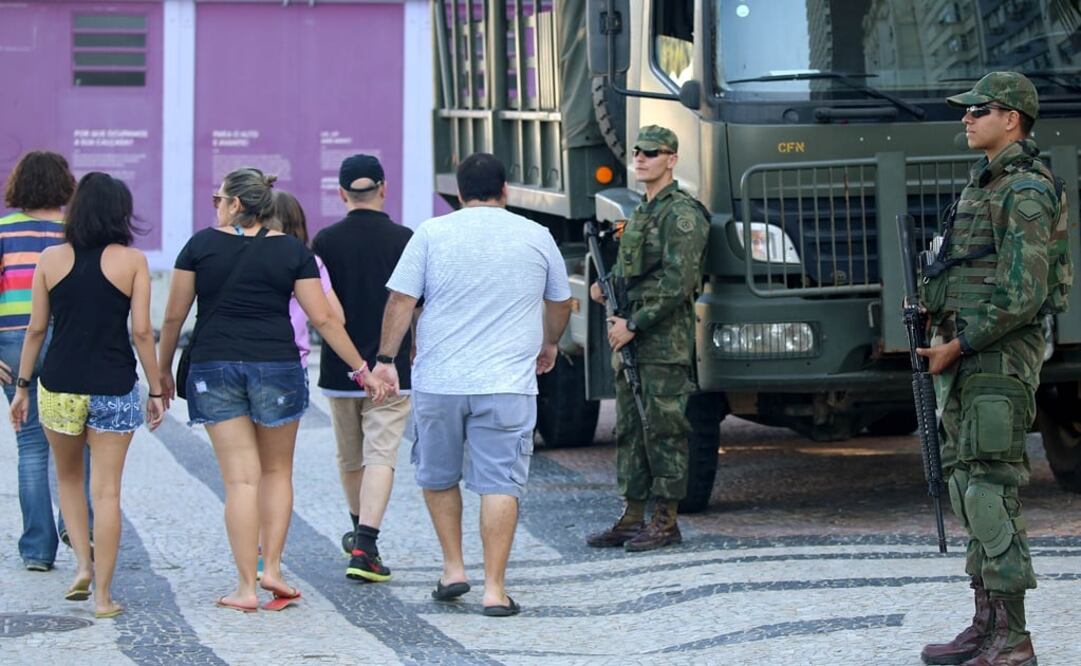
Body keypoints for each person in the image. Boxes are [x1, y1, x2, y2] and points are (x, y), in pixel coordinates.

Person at [157, 167, 388, 613]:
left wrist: (162, 373)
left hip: (215, 366)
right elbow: (323, 319)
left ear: (236, 205)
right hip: (278, 367)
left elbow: (172, 318)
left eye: (218, 198)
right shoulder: (291, 252)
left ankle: (245, 587)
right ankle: (274, 570)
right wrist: (363, 370)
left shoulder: (199, 247)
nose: (216, 205)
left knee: (240, 479)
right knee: (277, 473)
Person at [373, 152, 571, 616]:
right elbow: (560, 302)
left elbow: (401, 300)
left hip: (440, 380)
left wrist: (386, 359)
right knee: (500, 482)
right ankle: (494, 590)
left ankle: (453, 569)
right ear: (506, 191)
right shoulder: (536, 235)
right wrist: (549, 343)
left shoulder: (431, 233)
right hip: (506, 383)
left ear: (459, 194)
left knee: (439, 476)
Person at [917, 72, 1067, 666]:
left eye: (979, 109)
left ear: (1013, 118)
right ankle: (987, 623)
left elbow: (1023, 293)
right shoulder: (986, 184)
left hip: (997, 358)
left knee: (990, 489)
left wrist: (962, 343)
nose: (966, 118)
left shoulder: (1024, 189)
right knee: (965, 480)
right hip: (970, 356)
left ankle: (1015, 639)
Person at [9, 172, 165, 619]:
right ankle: (103, 596)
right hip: (113, 384)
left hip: (58, 384)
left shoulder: (50, 259)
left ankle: (80, 566)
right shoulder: (132, 261)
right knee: (107, 492)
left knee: (69, 482)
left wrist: (22, 388)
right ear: (120, 213)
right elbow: (140, 332)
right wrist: (156, 388)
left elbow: (36, 330)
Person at [586, 125, 709, 552]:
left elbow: (679, 282)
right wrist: (606, 287)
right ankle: (633, 515)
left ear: (671, 159)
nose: (640, 158)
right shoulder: (642, 210)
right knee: (631, 429)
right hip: (632, 340)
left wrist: (634, 324)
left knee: (664, 429)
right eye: (637, 151)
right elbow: (633, 268)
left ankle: (666, 519)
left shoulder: (682, 214)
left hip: (661, 342)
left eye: (651, 153)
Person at [312, 154, 415, 583]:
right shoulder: (405, 238)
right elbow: (415, 303)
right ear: (384, 189)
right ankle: (366, 543)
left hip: (343, 368)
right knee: (381, 455)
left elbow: (318, 308)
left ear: (341, 194)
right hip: (390, 370)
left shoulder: (324, 241)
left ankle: (358, 531)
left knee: (350, 456)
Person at [0, 150, 92, 572]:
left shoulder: (2, 232)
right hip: (66, 337)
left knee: (31, 444)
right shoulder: (74, 233)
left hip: (13, 342)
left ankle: (37, 549)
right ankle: (76, 524)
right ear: (64, 184)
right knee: (79, 439)